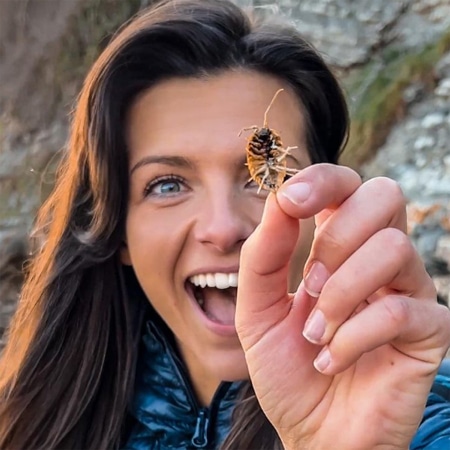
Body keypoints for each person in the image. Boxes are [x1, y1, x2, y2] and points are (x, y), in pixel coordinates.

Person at [1, 0, 450, 448]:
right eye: (167, 185)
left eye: (259, 180)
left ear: (327, 205)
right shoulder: (26, 417)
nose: (222, 228)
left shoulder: (413, 413)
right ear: (117, 229)